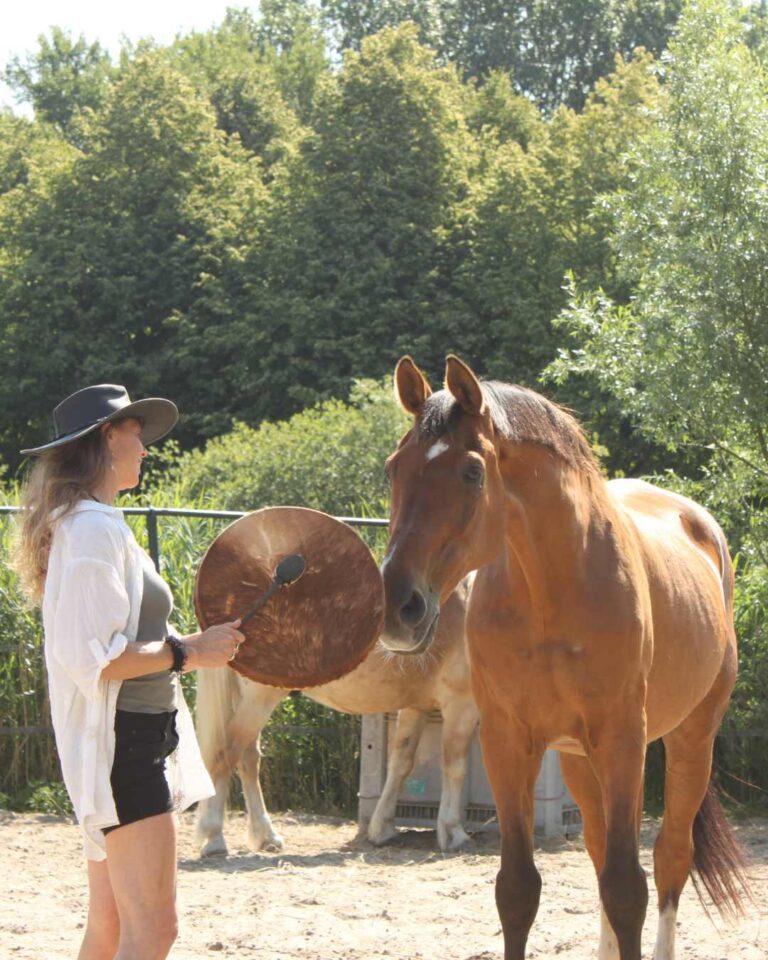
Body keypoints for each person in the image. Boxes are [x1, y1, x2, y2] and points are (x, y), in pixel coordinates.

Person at [13, 384, 244, 960]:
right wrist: (190, 651)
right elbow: (99, 658)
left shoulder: (89, 524)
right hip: (126, 746)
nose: (145, 451)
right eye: (136, 438)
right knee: (153, 930)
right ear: (106, 440)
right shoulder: (91, 530)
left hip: (125, 743)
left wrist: (193, 645)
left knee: (112, 924)